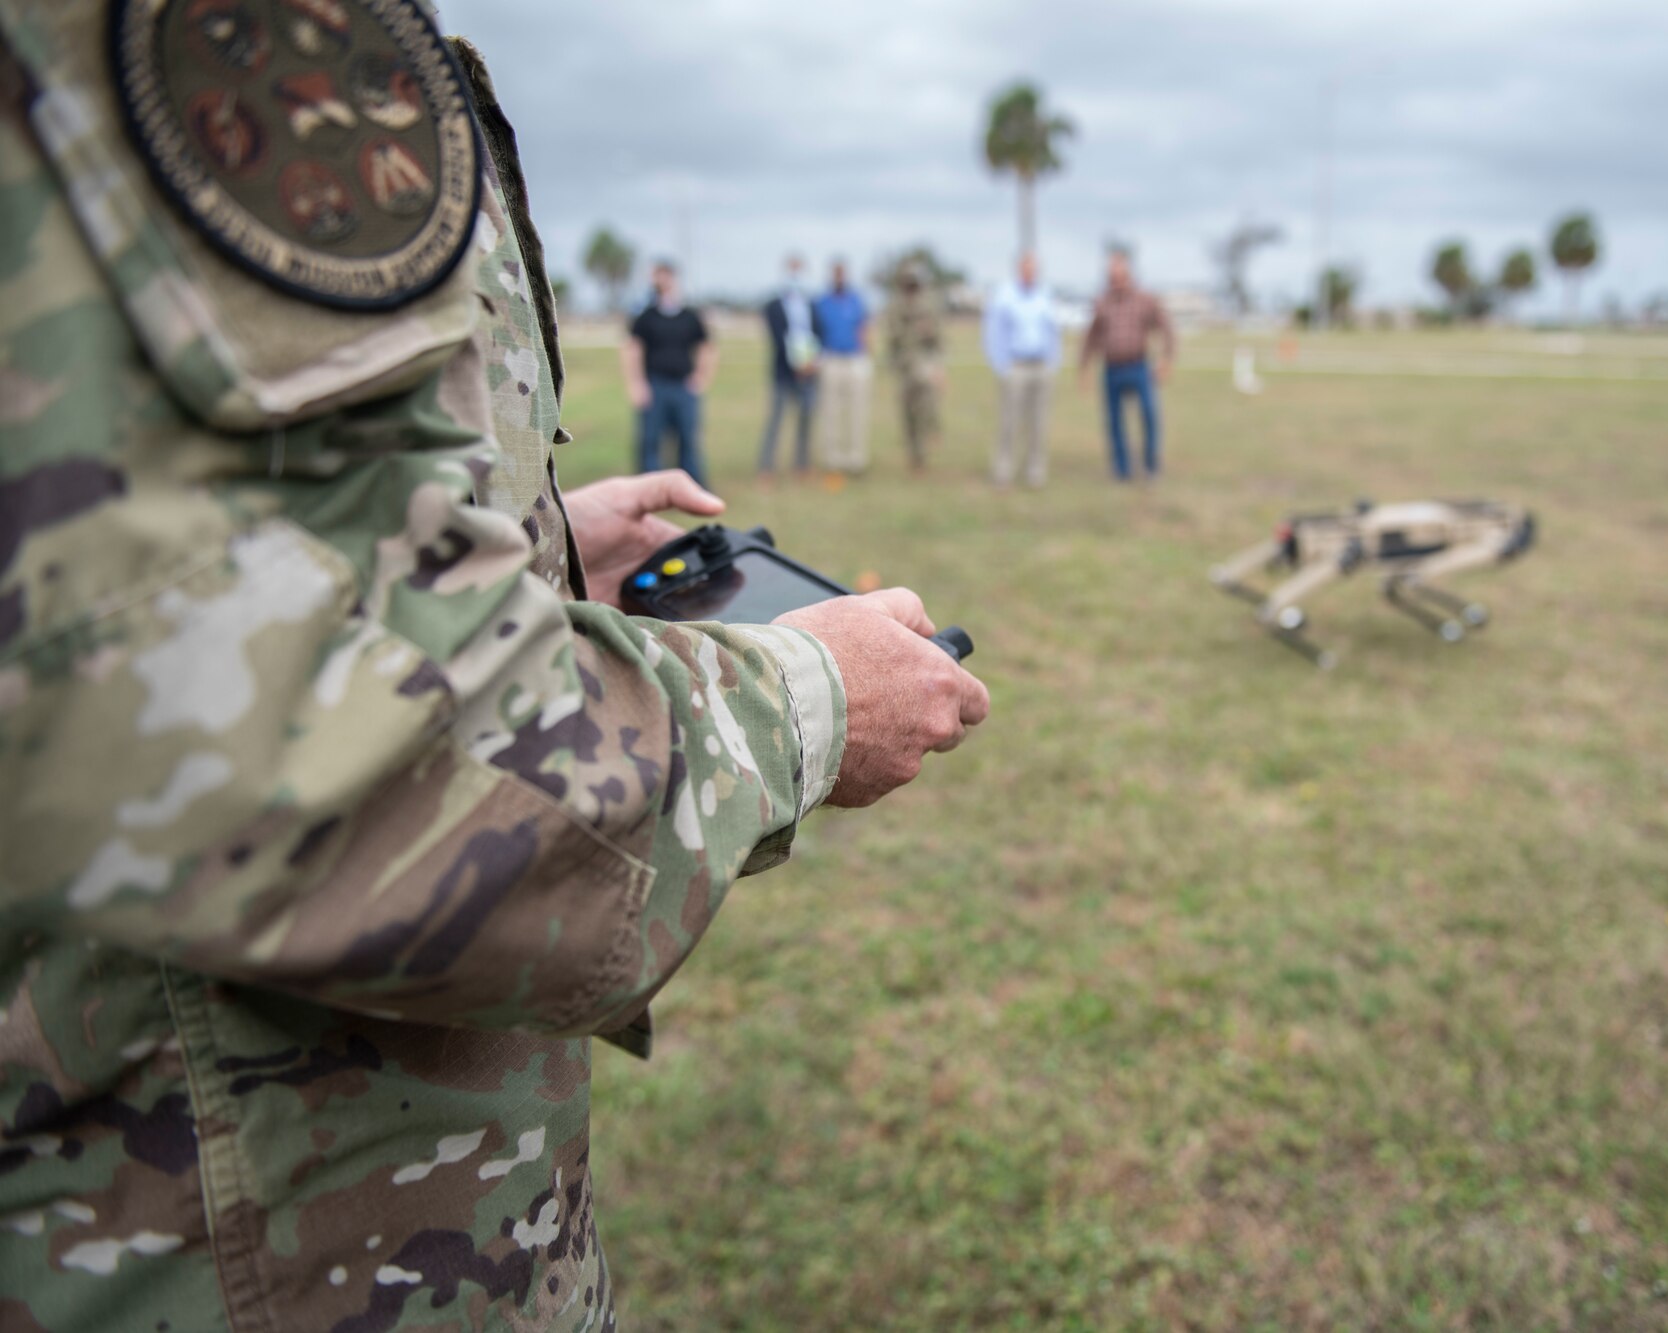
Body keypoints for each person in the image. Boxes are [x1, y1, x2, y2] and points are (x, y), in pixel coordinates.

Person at [0, 10, 989, 1331]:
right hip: (237, 1250)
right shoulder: (175, 41)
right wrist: (806, 703)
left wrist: (535, 543)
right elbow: (278, 748)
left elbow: (194, 561)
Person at [1079, 245, 1176, 481]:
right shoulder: (1102, 303)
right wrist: (1084, 367)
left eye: (1120, 276)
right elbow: (1092, 335)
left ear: (1129, 275)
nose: (1116, 281)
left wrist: (1166, 359)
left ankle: (1151, 465)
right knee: (1114, 421)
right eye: (1112, 277)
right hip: (1112, 369)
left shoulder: (1145, 300)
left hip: (1138, 366)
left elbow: (1166, 329)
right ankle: (1122, 469)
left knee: (1148, 415)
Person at [623, 258, 715, 486]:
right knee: (651, 440)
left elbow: (706, 347)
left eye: (665, 275)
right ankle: (650, 488)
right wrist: (637, 384)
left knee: (688, 439)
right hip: (655, 384)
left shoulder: (690, 316)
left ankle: (691, 487)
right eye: (657, 276)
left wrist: (701, 377)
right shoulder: (646, 316)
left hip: (683, 385)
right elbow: (633, 350)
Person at [982, 251, 1061, 487]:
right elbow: (993, 333)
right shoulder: (1004, 296)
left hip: (1041, 365)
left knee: (1039, 423)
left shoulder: (1044, 296)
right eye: (1026, 268)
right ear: (1019, 269)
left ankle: (1035, 471)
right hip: (1015, 365)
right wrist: (1001, 365)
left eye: (1033, 268)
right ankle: (1004, 470)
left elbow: (1053, 332)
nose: (1030, 272)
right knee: (1009, 422)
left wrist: (1053, 362)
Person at [759, 253, 821, 478]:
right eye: (792, 269)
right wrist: (796, 363)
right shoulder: (773, 306)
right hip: (784, 372)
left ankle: (802, 466)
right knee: (775, 421)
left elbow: (817, 333)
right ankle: (766, 468)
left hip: (809, 372)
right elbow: (777, 338)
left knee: (805, 421)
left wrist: (810, 363)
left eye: (799, 269)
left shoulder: (812, 304)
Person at [883, 259, 946, 470]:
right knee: (907, 413)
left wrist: (938, 366)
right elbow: (893, 338)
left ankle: (928, 441)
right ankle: (914, 454)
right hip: (904, 367)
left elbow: (937, 340)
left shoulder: (928, 306)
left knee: (926, 408)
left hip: (924, 365)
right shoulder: (896, 307)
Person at [812, 259, 872, 474]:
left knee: (857, 411)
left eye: (842, 273)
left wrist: (866, 356)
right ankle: (832, 459)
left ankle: (856, 459)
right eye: (836, 273)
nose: (839, 277)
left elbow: (864, 327)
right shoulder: (823, 301)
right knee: (831, 411)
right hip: (831, 359)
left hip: (854, 359)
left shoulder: (855, 299)